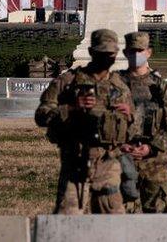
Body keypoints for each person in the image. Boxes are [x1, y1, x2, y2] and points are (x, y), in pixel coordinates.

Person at [35, 29, 134, 214]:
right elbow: (41, 114)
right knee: (68, 221)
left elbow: (133, 127)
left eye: (110, 54)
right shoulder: (68, 82)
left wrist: (129, 115)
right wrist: (71, 108)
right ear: (91, 52)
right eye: (101, 53)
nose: (106, 58)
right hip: (76, 162)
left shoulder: (120, 87)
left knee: (114, 225)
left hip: (108, 163)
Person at [118, 32, 167, 213]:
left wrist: (151, 147)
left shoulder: (162, 87)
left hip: (155, 159)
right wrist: (122, 146)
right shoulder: (115, 85)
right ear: (125, 52)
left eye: (140, 50)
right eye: (132, 50)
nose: (136, 54)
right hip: (123, 157)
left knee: (159, 215)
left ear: (149, 52)